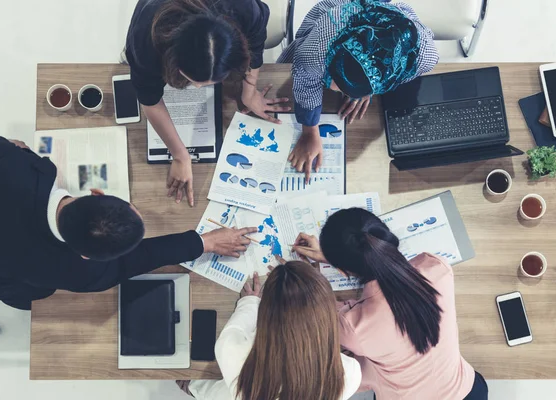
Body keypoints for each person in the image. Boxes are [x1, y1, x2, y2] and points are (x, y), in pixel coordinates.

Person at [0, 136, 256, 310]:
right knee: (36, 292)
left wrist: (16, 151)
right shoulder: (73, 272)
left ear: (97, 193)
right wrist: (203, 242)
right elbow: (132, 262)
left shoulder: (1, 156)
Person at [293, 208, 488, 400]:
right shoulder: (437, 268)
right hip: (470, 391)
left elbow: (321, 310)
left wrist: (323, 271)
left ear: (343, 272)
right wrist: (339, 258)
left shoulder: (353, 326)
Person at [126, 0, 290, 206]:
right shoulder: (145, 38)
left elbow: (256, 42)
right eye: (194, 81)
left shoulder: (245, 8)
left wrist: (250, 90)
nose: (197, 88)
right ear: (172, 60)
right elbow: (150, 101)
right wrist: (180, 156)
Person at [278, 0, 438, 181]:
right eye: (335, 79)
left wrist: (370, 87)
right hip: (337, 20)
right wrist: (310, 131)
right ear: (332, 54)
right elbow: (304, 78)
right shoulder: (316, 51)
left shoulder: (423, 56)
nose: (338, 91)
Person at [182, 262, 362, 399]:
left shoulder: (232, 350)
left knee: (192, 382)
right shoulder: (351, 373)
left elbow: (236, 328)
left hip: (236, 392)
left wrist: (249, 301)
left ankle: (192, 388)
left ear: (266, 314)